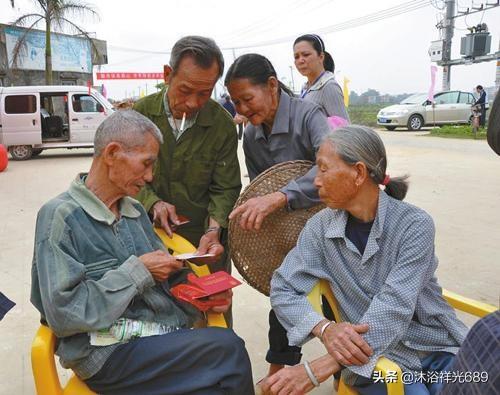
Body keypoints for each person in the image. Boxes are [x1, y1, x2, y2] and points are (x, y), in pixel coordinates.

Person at [30, 110, 254, 395]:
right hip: (107, 353)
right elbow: (64, 314)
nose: (150, 177)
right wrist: (138, 271)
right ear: (112, 153)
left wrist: (201, 295)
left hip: (157, 335)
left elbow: (167, 276)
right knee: (228, 349)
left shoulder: (134, 210)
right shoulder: (60, 217)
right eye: (146, 164)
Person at [265, 125, 468, 395]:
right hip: (374, 361)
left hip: (433, 345)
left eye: (323, 169)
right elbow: (282, 288)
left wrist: (321, 367)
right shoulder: (319, 229)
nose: (315, 180)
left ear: (359, 173)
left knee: (472, 386)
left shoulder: (413, 225)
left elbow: (395, 305)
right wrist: (325, 328)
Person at [224, 53, 331, 380]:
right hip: (288, 237)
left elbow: (331, 166)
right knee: (284, 298)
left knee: (336, 300)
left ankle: (349, 368)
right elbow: (260, 188)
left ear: (272, 85)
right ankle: (279, 373)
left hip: (330, 229)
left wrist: (282, 196)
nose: (242, 110)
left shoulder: (309, 115)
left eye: (246, 99)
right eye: (236, 103)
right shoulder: (253, 136)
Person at [133, 36, 241, 325]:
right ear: (167, 75)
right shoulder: (140, 117)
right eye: (185, 90)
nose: (193, 103)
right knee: (156, 317)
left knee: (212, 315)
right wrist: (152, 202)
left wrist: (214, 229)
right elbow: (122, 178)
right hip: (147, 238)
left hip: (204, 243)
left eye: (205, 93)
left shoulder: (221, 125)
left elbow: (226, 186)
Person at [293, 34, 349, 121]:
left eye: (306, 55)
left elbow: (343, 127)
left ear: (321, 57)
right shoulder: (305, 88)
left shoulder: (329, 87)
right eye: (296, 57)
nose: (300, 60)